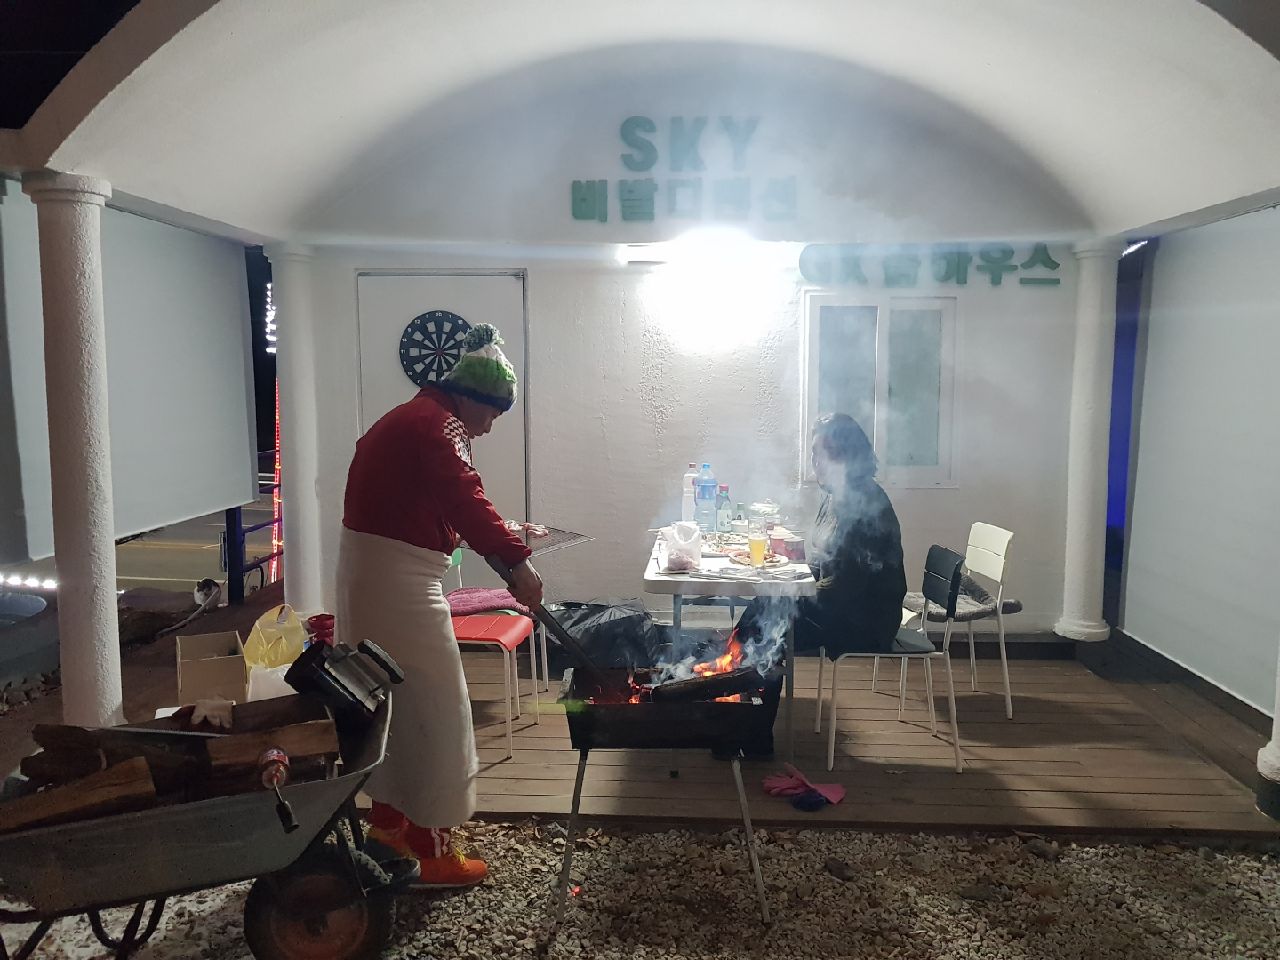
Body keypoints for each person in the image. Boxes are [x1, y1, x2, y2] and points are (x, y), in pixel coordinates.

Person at [338, 323, 543, 888]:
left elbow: (438, 501)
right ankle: (430, 849)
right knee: (437, 710)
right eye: (494, 411)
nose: (491, 424)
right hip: (399, 586)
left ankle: (389, 832)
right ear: (471, 397)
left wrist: (496, 537)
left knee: (395, 710)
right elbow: (464, 495)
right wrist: (518, 562)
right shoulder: (440, 425)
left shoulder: (413, 418)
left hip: (374, 578)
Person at [731, 413, 907, 754]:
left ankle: (754, 738)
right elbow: (823, 561)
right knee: (763, 611)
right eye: (812, 453)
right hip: (840, 607)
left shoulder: (864, 505)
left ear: (844, 454)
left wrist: (791, 591)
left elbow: (845, 589)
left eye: (820, 453)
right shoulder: (837, 494)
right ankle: (742, 722)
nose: (814, 462)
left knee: (769, 626)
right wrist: (788, 569)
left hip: (864, 620)